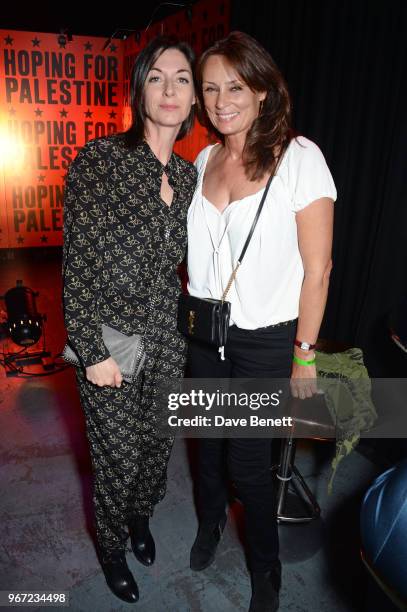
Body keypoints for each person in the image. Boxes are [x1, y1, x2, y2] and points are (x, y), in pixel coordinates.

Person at [186, 31, 336, 612]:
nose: (222, 100)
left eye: (235, 86)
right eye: (211, 88)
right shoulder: (203, 159)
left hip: (264, 344)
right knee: (206, 452)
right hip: (203, 335)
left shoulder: (300, 157)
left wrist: (305, 354)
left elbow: (317, 271)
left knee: (249, 465)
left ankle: (266, 568)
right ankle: (208, 525)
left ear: (264, 89)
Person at [62, 35, 197, 603]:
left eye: (183, 78)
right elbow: (76, 264)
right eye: (158, 76)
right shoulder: (100, 160)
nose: (170, 89)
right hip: (110, 338)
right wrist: (91, 350)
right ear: (140, 89)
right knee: (115, 456)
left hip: (166, 336)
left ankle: (141, 520)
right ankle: (113, 546)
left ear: (194, 99)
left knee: (156, 449)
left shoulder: (189, 178)